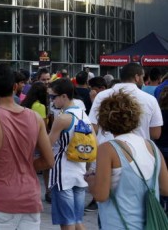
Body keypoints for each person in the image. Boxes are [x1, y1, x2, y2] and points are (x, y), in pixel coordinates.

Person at [0, 62, 54, 229]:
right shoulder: (35, 118)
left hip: (0, 200)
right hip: (30, 199)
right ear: (16, 86)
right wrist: (25, 166)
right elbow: (49, 161)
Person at [85, 90, 168, 229]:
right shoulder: (152, 147)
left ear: (105, 120)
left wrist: (91, 180)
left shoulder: (108, 149)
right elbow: (165, 188)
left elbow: (100, 195)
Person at [47, 78, 90, 230]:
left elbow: (48, 145)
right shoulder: (84, 115)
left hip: (62, 173)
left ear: (64, 96)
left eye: (53, 97)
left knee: (67, 223)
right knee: (77, 221)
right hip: (80, 171)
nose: (52, 101)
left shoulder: (63, 118)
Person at [89, 63, 163, 143]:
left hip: (107, 146)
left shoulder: (101, 96)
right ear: (137, 77)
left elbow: (93, 127)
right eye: (142, 76)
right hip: (138, 149)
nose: (144, 79)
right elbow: (155, 134)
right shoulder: (150, 100)